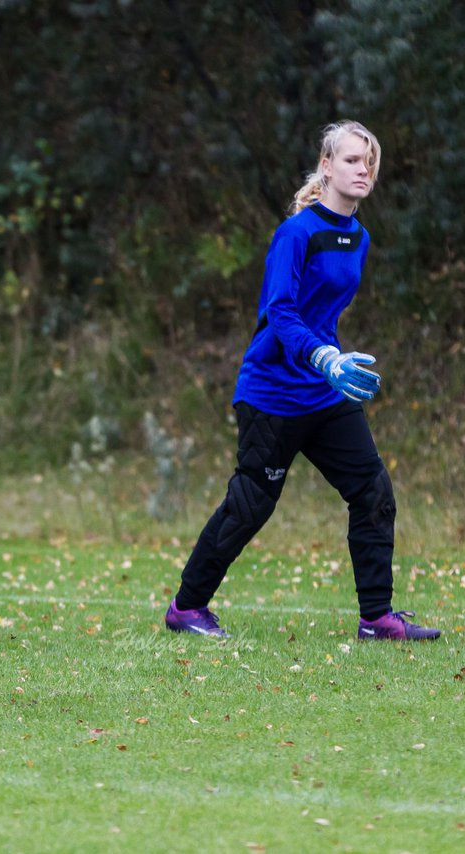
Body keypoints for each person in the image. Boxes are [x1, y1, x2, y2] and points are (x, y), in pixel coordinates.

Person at [164, 121, 440, 642]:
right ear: (327, 166)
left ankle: (376, 619)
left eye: (370, 162)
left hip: (323, 390)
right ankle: (187, 607)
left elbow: (324, 312)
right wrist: (325, 357)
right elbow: (282, 312)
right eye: (354, 160)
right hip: (272, 392)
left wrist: (332, 365)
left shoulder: (358, 236)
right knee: (250, 505)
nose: (363, 170)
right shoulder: (296, 234)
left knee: (373, 490)